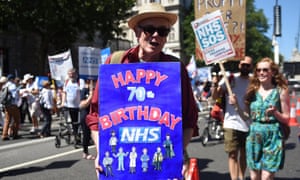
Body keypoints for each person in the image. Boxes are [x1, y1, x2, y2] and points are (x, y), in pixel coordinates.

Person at [85, 2, 198, 177]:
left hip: (164, 163)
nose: (156, 36)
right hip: (121, 166)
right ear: (137, 31)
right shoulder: (115, 63)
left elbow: (189, 119)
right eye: (149, 29)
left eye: (163, 31)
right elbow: (96, 115)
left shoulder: (175, 68)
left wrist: (178, 153)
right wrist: (102, 150)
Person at [243, 57, 290, 180]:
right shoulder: (252, 92)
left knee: (267, 176)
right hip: (254, 134)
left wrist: (275, 113)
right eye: (258, 70)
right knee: (254, 176)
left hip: (273, 135)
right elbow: (246, 117)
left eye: (265, 70)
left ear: (273, 72)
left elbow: (286, 118)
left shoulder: (281, 91)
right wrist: (236, 106)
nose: (261, 73)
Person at [211, 56, 253, 180]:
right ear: (239, 65)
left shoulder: (254, 81)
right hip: (231, 122)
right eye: (242, 64)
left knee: (244, 155)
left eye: (247, 65)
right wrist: (214, 83)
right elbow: (215, 96)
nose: (244, 67)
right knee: (232, 154)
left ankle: (241, 176)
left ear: (251, 67)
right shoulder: (230, 79)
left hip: (248, 122)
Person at [62, 68, 81, 145]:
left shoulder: (79, 82)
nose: (71, 75)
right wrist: (63, 102)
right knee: (72, 122)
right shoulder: (67, 82)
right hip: (69, 106)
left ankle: (78, 135)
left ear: (76, 74)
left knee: (78, 122)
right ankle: (74, 135)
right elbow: (64, 93)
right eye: (69, 74)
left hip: (78, 106)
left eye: (72, 73)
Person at [79, 79, 95, 160]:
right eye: (93, 82)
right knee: (86, 135)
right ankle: (85, 152)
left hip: (95, 115)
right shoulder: (84, 91)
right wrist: (90, 96)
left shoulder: (97, 91)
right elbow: (82, 105)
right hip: (86, 115)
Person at [1, 74, 21, 140]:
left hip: (6, 105)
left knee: (7, 120)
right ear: (12, 79)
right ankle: (15, 134)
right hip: (13, 105)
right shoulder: (12, 85)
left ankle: (4, 135)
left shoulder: (5, 85)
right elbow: (14, 96)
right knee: (17, 120)